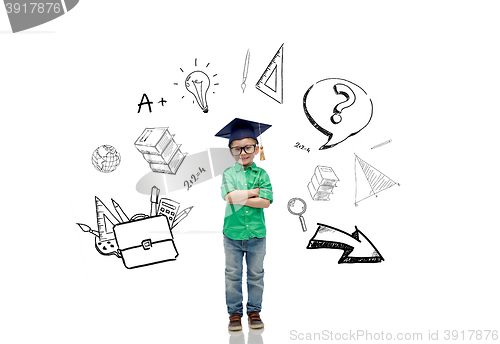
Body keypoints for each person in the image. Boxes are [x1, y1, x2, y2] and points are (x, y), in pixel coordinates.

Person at [215, 118, 273, 331]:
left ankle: (254, 311)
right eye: (236, 149)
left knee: (256, 274)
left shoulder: (262, 174)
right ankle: (235, 314)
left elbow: (265, 203)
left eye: (248, 147)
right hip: (232, 234)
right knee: (232, 274)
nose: (242, 152)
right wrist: (253, 192)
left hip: (257, 235)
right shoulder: (229, 173)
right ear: (231, 151)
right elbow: (229, 197)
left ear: (256, 149)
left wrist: (241, 196)